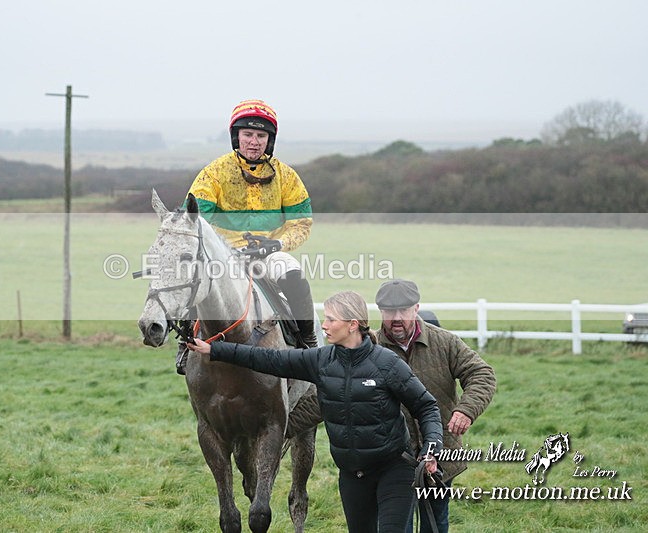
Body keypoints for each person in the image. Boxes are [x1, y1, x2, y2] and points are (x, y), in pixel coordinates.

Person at [187, 290, 443, 532]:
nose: (324, 325)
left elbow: (426, 406)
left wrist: (431, 449)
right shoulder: (321, 360)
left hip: (394, 470)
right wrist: (214, 349)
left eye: (331, 320)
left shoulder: (387, 364)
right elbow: (269, 359)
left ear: (352, 325)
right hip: (352, 475)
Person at [176, 99, 316, 374]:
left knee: (293, 273)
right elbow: (194, 220)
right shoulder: (213, 173)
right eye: (248, 134)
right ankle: (185, 342)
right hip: (223, 255)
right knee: (194, 275)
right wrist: (220, 249)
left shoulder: (287, 176)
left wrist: (277, 244)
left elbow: (302, 223)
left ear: (269, 140)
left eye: (261, 136)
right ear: (236, 136)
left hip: (268, 254)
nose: (254, 142)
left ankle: (308, 341)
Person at [374, 279, 497, 533]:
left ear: (416, 308)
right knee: (396, 526)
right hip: (391, 456)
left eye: (403, 310)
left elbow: (482, 374)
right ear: (380, 311)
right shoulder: (370, 348)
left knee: (435, 524)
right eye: (389, 311)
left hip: (440, 452)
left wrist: (466, 410)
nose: (396, 318)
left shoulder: (445, 342)